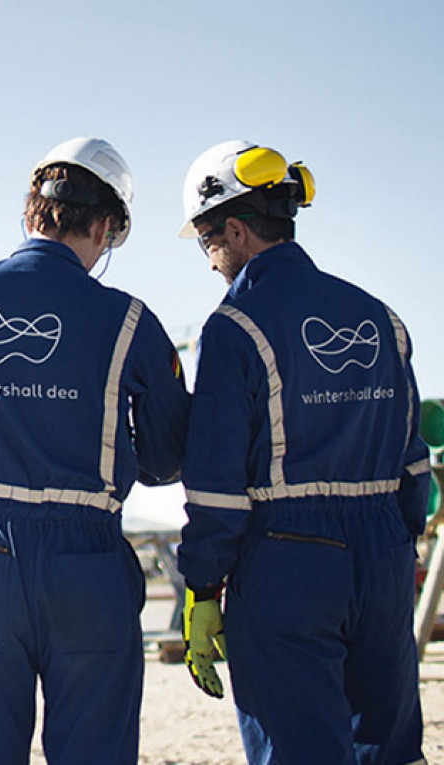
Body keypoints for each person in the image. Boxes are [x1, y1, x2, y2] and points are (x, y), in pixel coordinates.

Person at [0, 137, 190, 764]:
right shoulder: (130, 320)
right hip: (86, 559)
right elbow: (166, 458)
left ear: (30, 211)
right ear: (105, 228)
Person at [176, 140, 430, 764]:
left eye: (207, 241)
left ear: (236, 230)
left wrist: (203, 586)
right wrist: (392, 546)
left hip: (289, 559)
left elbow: (217, 483)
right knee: (390, 747)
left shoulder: (235, 326)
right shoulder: (382, 318)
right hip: (384, 555)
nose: (210, 261)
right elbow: (413, 460)